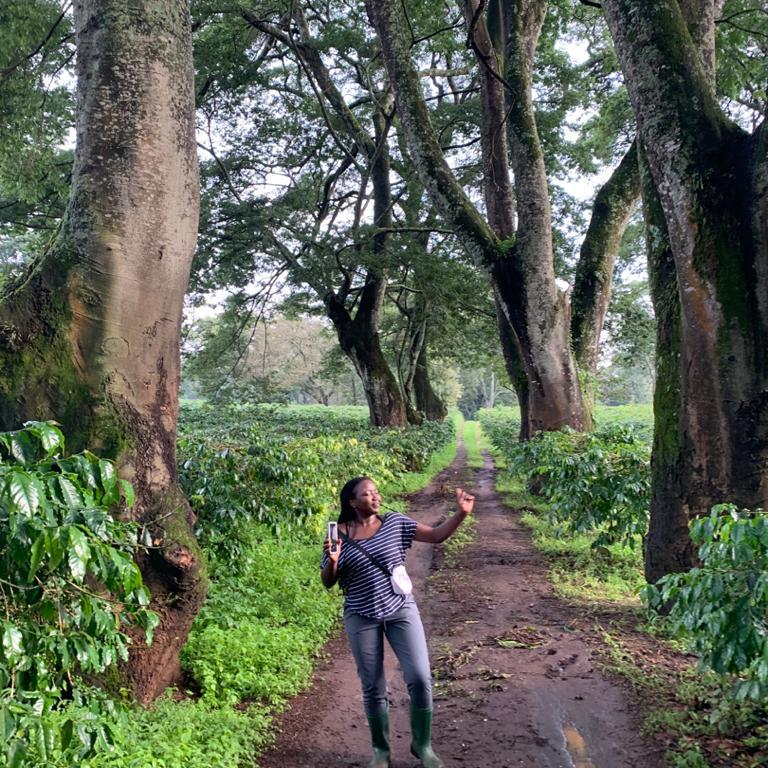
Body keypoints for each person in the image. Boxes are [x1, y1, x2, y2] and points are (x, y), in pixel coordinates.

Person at [321, 476, 475, 768]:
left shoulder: (395, 523)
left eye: (376, 492)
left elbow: (436, 536)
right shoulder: (338, 534)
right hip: (361, 615)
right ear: (352, 502)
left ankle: (422, 745)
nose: (375, 497)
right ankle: (381, 750)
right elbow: (328, 581)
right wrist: (333, 560)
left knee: (420, 676)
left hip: (400, 610)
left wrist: (461, 514)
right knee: (373, 685)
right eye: (367, 494)